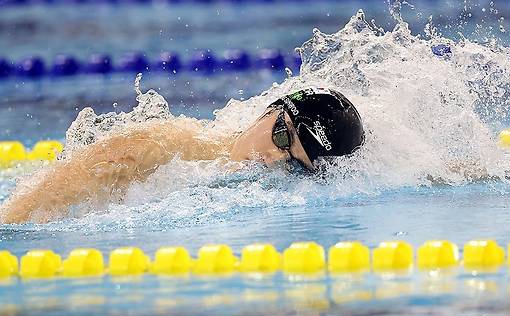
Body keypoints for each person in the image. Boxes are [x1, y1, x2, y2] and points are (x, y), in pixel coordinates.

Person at [0, 87, 366, 224]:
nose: (274, 157)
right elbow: (50, 191)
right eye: (282, 136)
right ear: (269, 110)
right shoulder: (163, 147)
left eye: (294, 163)